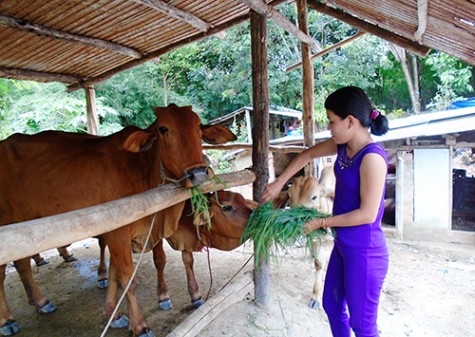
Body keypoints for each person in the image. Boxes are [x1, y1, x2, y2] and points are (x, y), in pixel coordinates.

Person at [262, 86, 390, 337]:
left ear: (350, 121)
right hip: (344, 246)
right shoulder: (343, 147)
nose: (329, 128)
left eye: (332, 121)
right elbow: (307, 154)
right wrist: (279, 183)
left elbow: (367, 214)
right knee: (331, 306)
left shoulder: (372, 157)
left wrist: (321, 222)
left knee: (363, 327)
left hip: (365, 252)